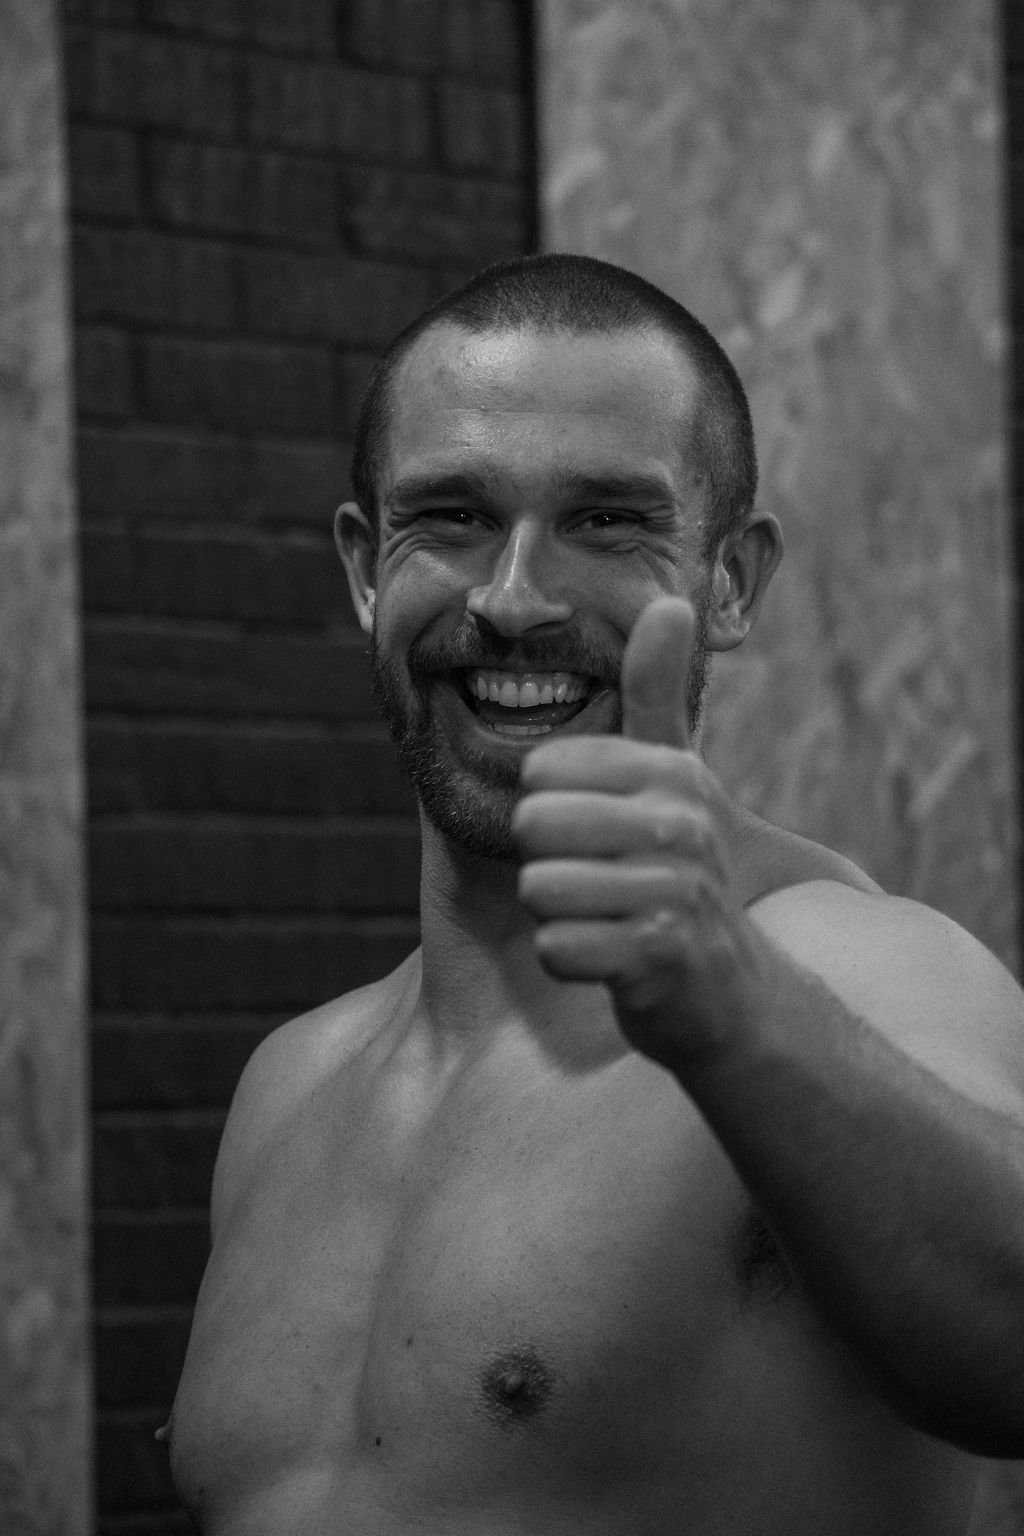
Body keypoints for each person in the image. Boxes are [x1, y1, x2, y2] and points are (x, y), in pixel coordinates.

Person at [165, 253, 1024, 1534]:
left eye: (608, 522)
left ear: (729, 582)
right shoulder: (293, 1086)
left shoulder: (855, 972)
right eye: (449, 517)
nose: (512, 597)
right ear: (363, 568)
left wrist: (735, 1016)